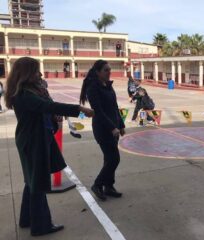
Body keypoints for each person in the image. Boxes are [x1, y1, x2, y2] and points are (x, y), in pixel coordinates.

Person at [4, 57, 94, 236]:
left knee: (31, 181)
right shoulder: (25, 95)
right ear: (28, 74)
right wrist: (80, 109)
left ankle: (27, 219)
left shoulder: (28, 91)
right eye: (37, 71)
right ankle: (41, 226)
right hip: (33, 141)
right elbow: (49, 106)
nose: (41, 74)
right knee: (37, 184)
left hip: (32, 139)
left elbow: (47, 105)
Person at [79, 60, 126, 200]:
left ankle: (108, 186)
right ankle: (97, 184)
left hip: (115, 128)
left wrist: (121, 124)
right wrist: (112, 128)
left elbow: (115, 106)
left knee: (109, 158)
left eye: (109, 69)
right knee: (114, 159)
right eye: (106, 70)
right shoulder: (93, 88)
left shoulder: (108, 85)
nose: (109, 72)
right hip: (103, 129)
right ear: (97, 72)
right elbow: (98, 111)